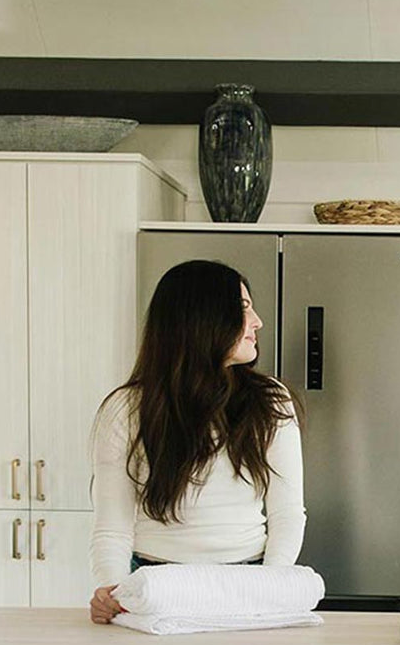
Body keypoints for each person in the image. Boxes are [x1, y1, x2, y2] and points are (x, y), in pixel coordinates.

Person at [88, 259, 306, 624]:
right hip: (156, 586)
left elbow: (287, 514)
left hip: (249, 581)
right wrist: (117, 593)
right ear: (202, 320)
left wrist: (271, 589)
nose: (258, 322)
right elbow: (112, 527)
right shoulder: (124, 410)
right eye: (244, 309)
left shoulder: (270, 401)